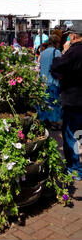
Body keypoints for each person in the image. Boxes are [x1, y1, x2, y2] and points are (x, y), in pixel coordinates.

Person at [51, 21, 82, 181]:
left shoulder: (74, 51)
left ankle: (75, 169)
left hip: (73, 100)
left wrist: (64, 51)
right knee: (79, 133)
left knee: (71, 134)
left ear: (74, 35)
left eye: (69, 34)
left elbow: (57, 66)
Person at [38, 34, 62, 129]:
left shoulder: (42, 53)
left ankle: (45, 121)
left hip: (43, 80)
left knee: (44, 102)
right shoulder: (57, 52)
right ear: (56, 43)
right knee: (54, 102)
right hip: (53, 81)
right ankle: (54, 123)